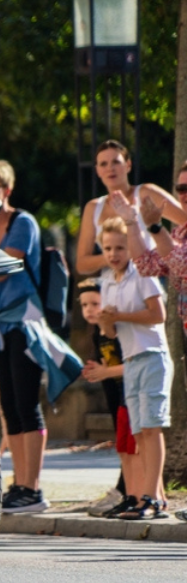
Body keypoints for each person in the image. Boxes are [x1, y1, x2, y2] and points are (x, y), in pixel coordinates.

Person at [0, 160, 82, 513]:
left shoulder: (23, 222)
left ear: (7, 189)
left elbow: (4, 267)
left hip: (26, 323)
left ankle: (33, 488)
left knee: (28, 404)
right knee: (10, 408)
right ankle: (19, 484)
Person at [120, 164, 187, 523]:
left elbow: (182, 265)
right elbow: (147, 265)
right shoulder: (181, 231)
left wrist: (155, 227)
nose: (184, 195)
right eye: (181, 188)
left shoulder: (171, 233)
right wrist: (133, 223)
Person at [96, 216, 172, 520]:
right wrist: (106, 321)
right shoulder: (106, 280)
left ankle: (150, 499)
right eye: (107, 248)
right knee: (139, 432)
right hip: (130, 361)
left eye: (120, 247)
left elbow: (158, 314)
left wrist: (120, 316)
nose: (113, 254)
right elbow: (110, 332)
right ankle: (154, 498)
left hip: (152, 355)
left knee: (151, 429)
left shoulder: (142, 273)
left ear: (130, 247)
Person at [76, 140, 187, 277]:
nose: (110, 168)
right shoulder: (93, 207)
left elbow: (185, 218)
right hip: (114, 283)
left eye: (116, 162)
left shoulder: (146, 193)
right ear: (97, 170)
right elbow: (82, 264)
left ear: (128, 165)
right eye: (103, 164)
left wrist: (176, 253)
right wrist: (115, 255)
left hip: (147, 280)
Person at [76, 278, 137, 518]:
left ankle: (132, 491)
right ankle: (126, 491)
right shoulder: (97, 334)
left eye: (95, 303)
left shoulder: (120, 331)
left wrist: (104, 372)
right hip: (115, 393)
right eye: (84, 305)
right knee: (122, 443)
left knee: (133, 445)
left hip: (131, 392)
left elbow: (131, 365)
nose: (89, 310)